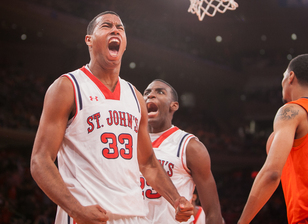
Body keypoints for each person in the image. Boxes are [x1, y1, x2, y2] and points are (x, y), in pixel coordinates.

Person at [30, 11, 193, 224]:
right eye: (106, 25)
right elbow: (40, 160)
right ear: (89, 40)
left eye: (120, 28)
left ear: (124, 43)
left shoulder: (135, 96)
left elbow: (148, 163)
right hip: (88, 214)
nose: (115, 29)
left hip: (135, 215)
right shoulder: (68, 87)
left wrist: (176, 199)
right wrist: (75, 209)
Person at [238, 53, 308, 224]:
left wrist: (242, 222)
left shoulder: (291, 111)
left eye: (283, 76)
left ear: (290, 77)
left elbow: (272, 173)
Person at [141, 79, 224, 224]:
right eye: (147, 93)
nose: (151, 95)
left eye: (160, 92)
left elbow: (212, 212)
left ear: (174, 105)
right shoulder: (129, 140)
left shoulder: (190, 146)